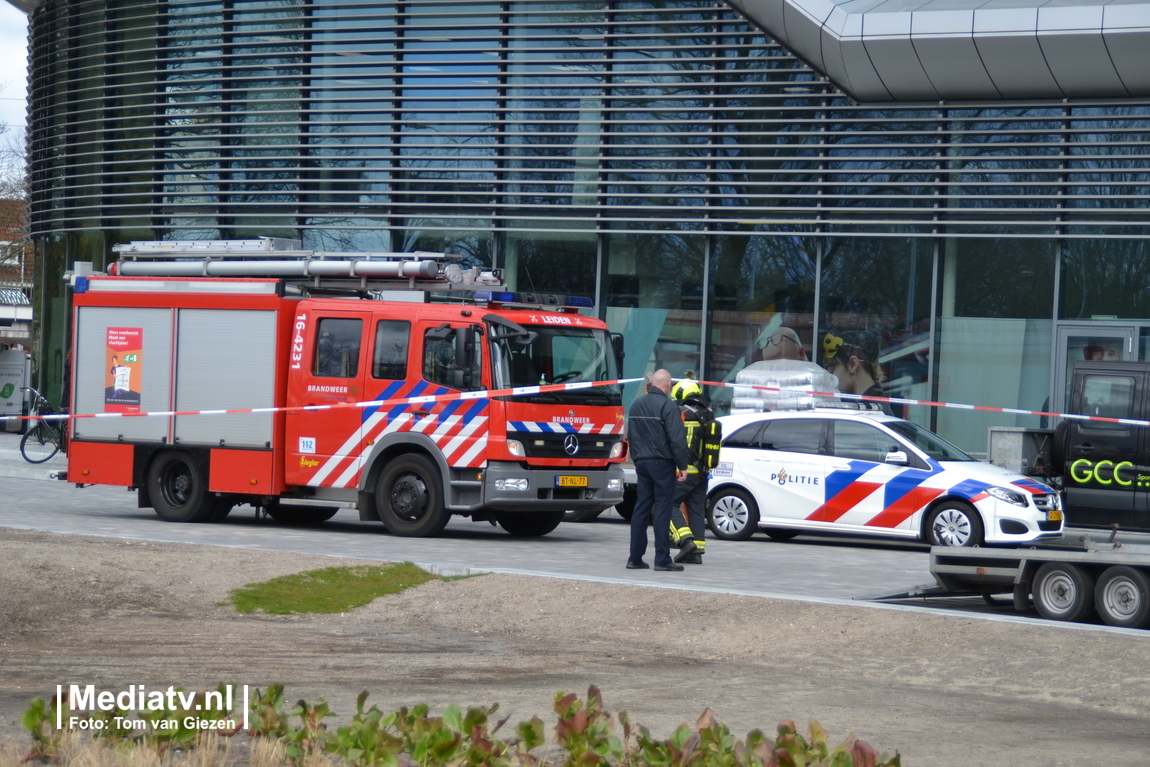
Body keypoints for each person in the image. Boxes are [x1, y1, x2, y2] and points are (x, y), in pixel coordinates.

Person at [626, 369, 691, 572]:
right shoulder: (668, 405)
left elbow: (632, 436)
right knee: (663, 508)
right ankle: (662, 558)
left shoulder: (636, 404)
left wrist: (637, 461)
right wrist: (683, 466)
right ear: (668, 384)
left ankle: (635, 557)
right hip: (662, 463)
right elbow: (676, 438)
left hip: (643, 463)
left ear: (652, 383)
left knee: (641, 508)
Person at [668, 392, 720, 564]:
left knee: (666, 504)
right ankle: (696, 553)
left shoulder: (682, 413)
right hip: (702, 473)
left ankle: (686, 541)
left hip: (683, 472)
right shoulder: (708, 416)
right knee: (696, 510)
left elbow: (676, 441)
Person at [821, 330, 892, 415]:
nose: (829, 376)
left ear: (853, 364)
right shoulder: (873, 406)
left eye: (832, 368)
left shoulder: (873, 411)